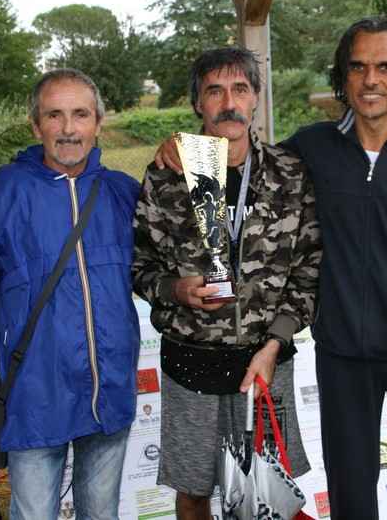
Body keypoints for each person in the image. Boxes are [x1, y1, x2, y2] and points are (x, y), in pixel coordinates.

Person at [155, 16, 387, 520]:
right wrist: (184, 145)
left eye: (385, 66)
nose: (370, 79)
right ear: (343, 77)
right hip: (343, 354)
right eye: (357, 67)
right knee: (351, 499)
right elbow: (241, 152)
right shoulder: (310, 149)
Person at [0, 68, 141, 519]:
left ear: (98, 124)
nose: (69, 128)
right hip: (38, 397)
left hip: (110, 394)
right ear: (36, 126)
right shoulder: (6, 196)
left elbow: (171, 264)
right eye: (54, 115)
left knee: (101, 514)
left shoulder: (122, 194)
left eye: (81, 114)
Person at [132, 46, 321, 519]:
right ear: (198, 102)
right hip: (191, 363)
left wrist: (275, 343)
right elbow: (139, 264)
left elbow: (307, 270)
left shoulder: (289, 173)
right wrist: (175, 290)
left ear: (256, 98)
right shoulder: (168, 175)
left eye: (240, 89)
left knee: (268, 487)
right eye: (214, 91)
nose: (229, 102)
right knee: (194, 492)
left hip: (265, 362)